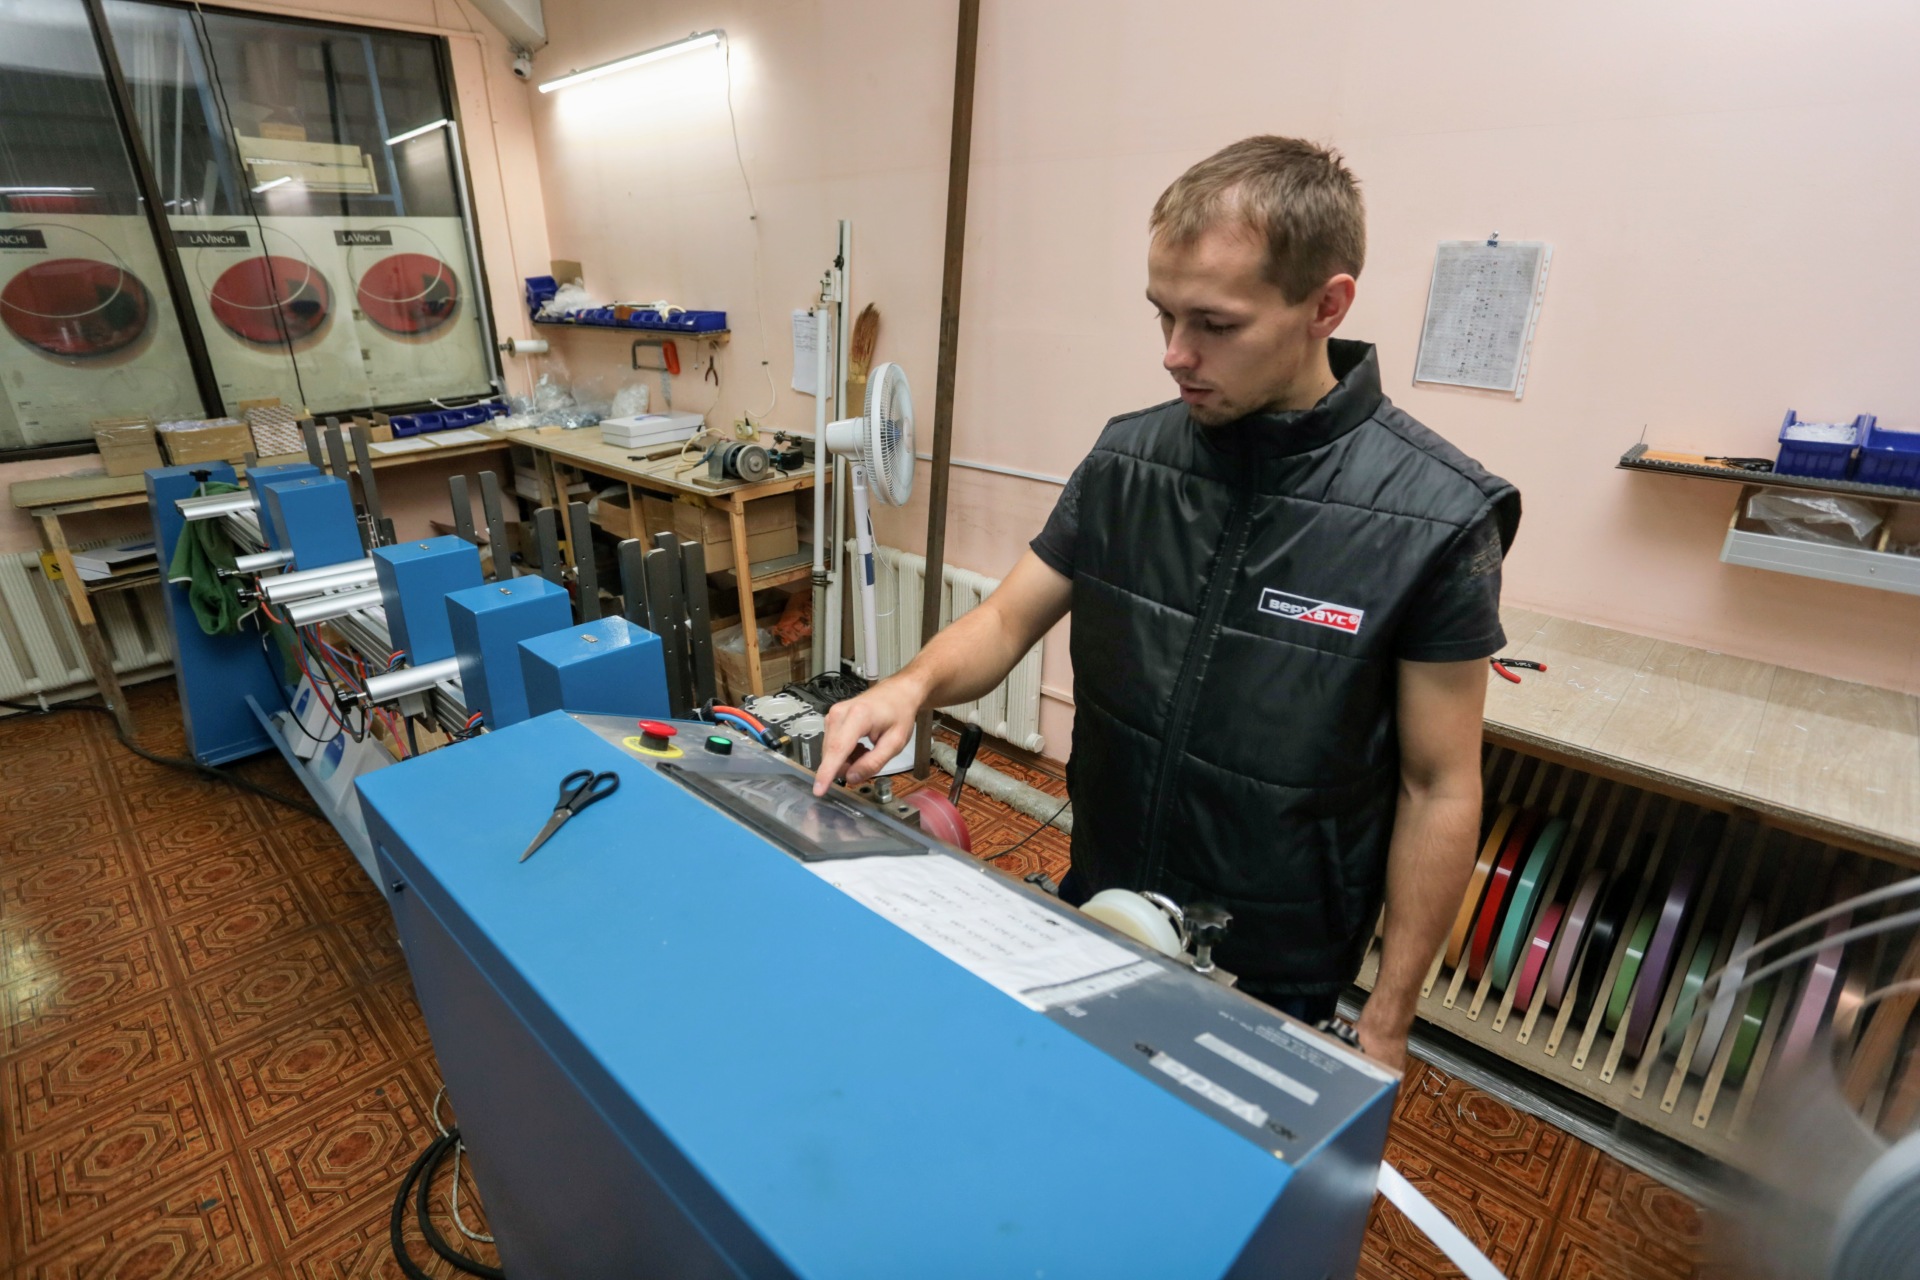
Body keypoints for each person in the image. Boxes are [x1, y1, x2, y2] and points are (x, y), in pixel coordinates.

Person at [813, 136, 1520, 1072]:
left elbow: (1440, 787)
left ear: (1327, 306)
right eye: (1163, 314)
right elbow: (1006, 619)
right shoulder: (1127, 462)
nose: (1175, 354)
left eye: (1215, 324)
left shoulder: (1436, 516)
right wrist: (909, 687)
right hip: (1103, 899)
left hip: (1273, 961)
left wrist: (1387, 1022)